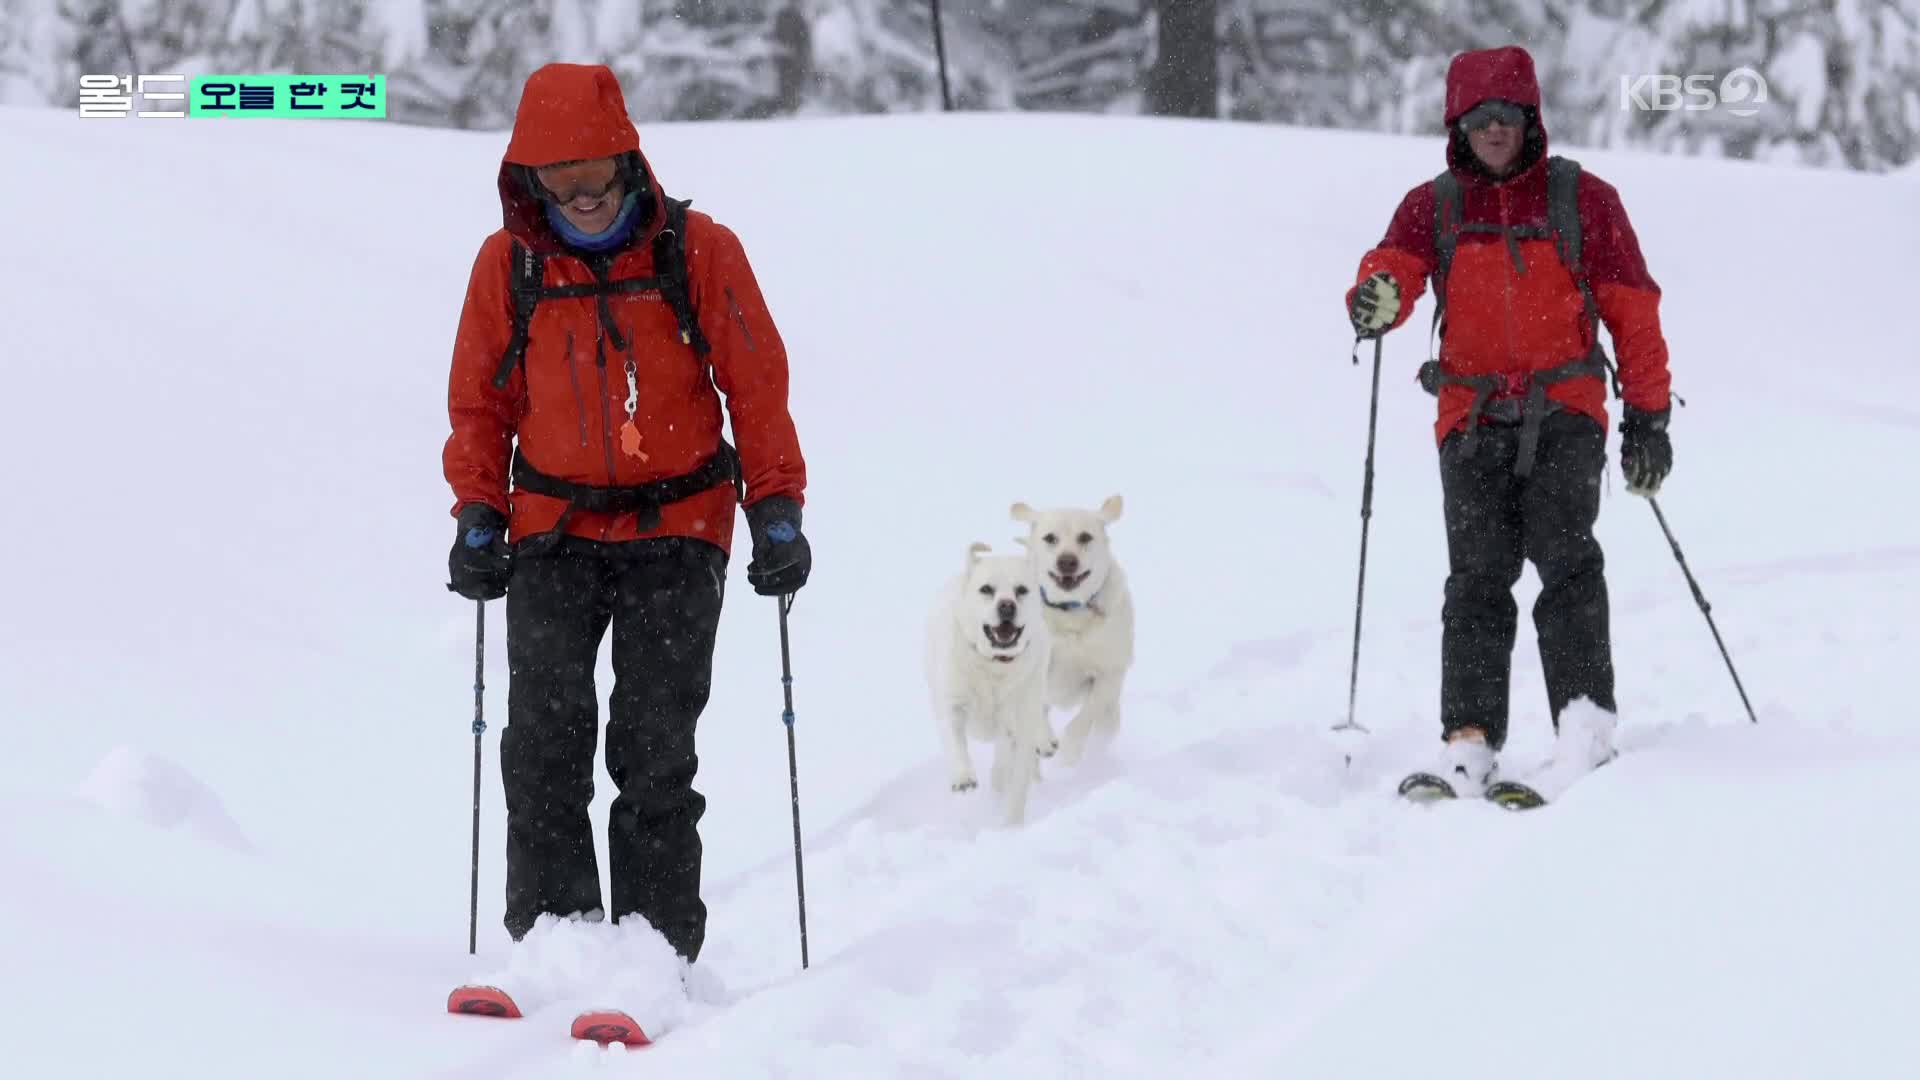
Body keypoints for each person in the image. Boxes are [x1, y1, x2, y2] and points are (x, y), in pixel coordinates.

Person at [442, 62, 811, 966]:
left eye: (596, 180)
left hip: (679, 530)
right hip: (553, 530)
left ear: (630, 163)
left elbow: (756, 386)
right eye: (560, 186)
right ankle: (556, 943)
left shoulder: (698, 249)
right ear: (529, 183)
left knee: (652, 750)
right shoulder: (512, 266)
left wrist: (777, 507)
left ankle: (653, 953)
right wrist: (477, 516)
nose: (583, 202)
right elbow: (479, 403)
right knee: (542, 746)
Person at [1344, 45, 1673, 795]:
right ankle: (1469, 743)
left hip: (1565, 412)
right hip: (1470, 416)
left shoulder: (1583, 199)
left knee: (1567, 565)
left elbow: (1634, 314)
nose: (1496, 131)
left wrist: (1647, 420)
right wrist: (1377, 297)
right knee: (1477, 581)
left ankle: (1583, 731)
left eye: (1511, 116)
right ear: (1458, 126)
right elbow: (1392, 267)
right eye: (1480, 118)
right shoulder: (1435, 206)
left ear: (1533, 120)